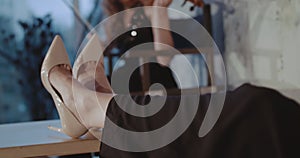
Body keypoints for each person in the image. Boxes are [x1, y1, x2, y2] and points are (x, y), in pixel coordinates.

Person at [40, 0, 300, 157]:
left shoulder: (151, 10)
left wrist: (158, 11)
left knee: (259, 106)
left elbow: (163, 56)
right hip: (134, 82)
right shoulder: (125, 16)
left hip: (157, 82)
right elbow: (113, 45)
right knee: (260, 104)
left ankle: (95, 107)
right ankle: (103, 105)